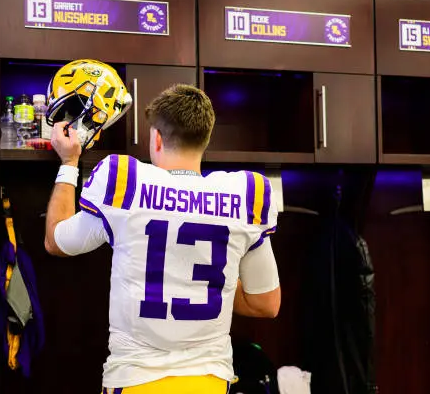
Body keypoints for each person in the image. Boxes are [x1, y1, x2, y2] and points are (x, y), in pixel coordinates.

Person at [44, 61, 281, 394]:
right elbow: (265, 304)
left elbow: (57, 241)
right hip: (209, 382)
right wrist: (209, 281)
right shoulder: (246, 194)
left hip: (136, 381)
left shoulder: (123, 181)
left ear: (155, 138)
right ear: (205, 139)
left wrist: (69, 163)